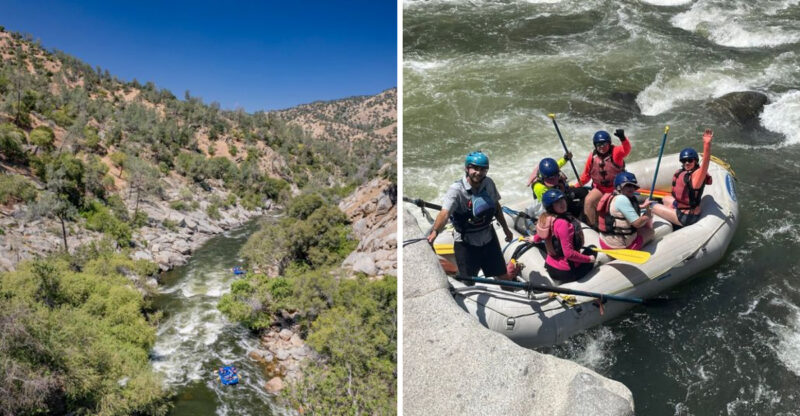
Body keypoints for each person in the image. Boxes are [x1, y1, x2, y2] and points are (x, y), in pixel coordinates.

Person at [427, 151, 514, 282]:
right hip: (466, 243)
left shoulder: (488, 183)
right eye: (475, 168)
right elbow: (445, 213)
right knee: (468, 282)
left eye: (483, 169)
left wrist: (506, 229)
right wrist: (434, 232)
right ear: (467, 168)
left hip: (488, 238)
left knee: (503, 276)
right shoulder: (456, 190)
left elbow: (496, 207)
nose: (479, 173)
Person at [525, 189, 595, 282]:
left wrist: (534, 238)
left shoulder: (547, 217)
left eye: (562, 200)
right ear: (551, 206)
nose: (562, 204)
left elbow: (542, 234)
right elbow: (569, 254)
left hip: (551, 268)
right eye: (557, 202)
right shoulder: (563, 224)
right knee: (592, 250)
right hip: (568, 272)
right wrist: (588, 259)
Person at [652, 129, 714, 228]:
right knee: (665, 198)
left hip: (687, 216)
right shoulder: (684, 173)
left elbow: (706, 163)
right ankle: (670, 214)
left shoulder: (697, 177)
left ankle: (669, 223)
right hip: (682, 209)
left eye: (690, 160)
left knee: (651, 206)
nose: (687, 163)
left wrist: (707, 144)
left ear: (696, 161)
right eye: (684, 161)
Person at [577, 129, 632, 228]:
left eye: (604, 144)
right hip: (600, 189)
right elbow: (586, 175)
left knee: (617, 207)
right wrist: (576, 186)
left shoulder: (615, 152)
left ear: (609, 143)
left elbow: (626, 150)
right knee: (589, 200)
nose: (601, 147)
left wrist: (623, 139)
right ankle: (592, 226)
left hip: (617, 189)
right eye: (598, 145)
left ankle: (623, 225)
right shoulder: (592, 157)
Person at [596, 172, 654, 250]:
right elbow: (637, 224)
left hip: (605, 242)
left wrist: (642, 206)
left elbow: (619, 211)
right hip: (619, 246)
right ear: (619, 187)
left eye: (633, 186)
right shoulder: (622, 199)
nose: (632, 188)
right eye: (628, 185)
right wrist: (647, 215)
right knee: (650, 232)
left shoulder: (613, 196)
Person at [527, 153, 588, 218]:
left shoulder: (552, 171)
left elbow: (558, 164)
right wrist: (562, 192)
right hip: (554, 203)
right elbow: (549, 203)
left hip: (562, 191)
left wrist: (565, 158)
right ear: (542, 177)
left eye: (555, 176)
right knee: (578, 207)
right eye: (550, 179)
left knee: (583, 191)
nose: (554, 181)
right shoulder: (539, 187)